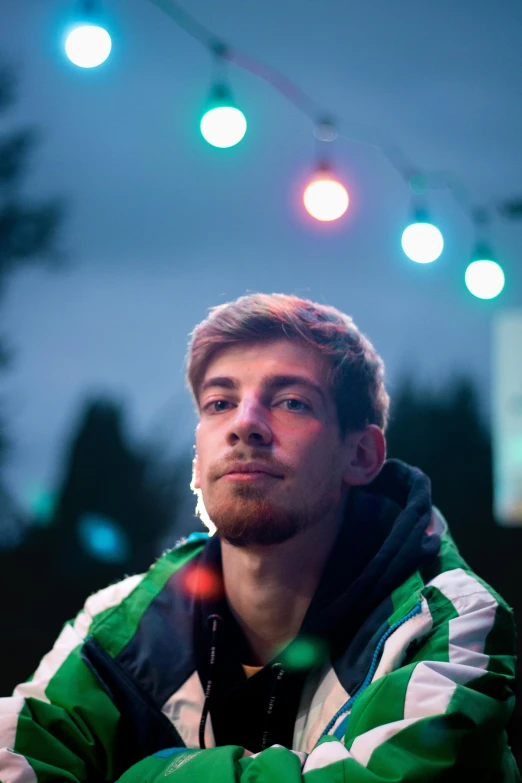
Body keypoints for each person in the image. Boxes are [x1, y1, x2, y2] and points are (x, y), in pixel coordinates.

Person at [1, 292, 519, 783]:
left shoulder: (449, 622)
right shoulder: (115, 627)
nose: (245, 424)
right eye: (219, 403)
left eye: (291, 402)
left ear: (360, 455)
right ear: (199, 455)